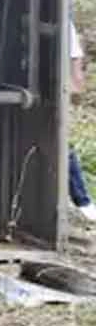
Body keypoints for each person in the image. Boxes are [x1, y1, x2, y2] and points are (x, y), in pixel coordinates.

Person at [67, 19, 96, 222]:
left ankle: (83, 201)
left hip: (52, 93)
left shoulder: (61, 21)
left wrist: (74, 84)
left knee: (63, 149)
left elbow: (75, 55)